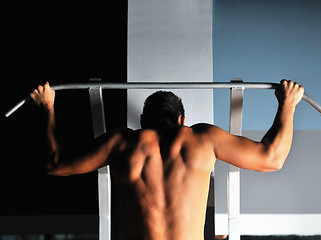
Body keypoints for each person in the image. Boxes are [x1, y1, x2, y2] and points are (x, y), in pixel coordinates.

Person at [30, 80, 304, 240]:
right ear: (182, 120)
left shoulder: (122, 143)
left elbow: (56, 163)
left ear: (142, 121)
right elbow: (272, 158)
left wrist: (48, 107)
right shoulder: (203, 139)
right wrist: (288, 103)